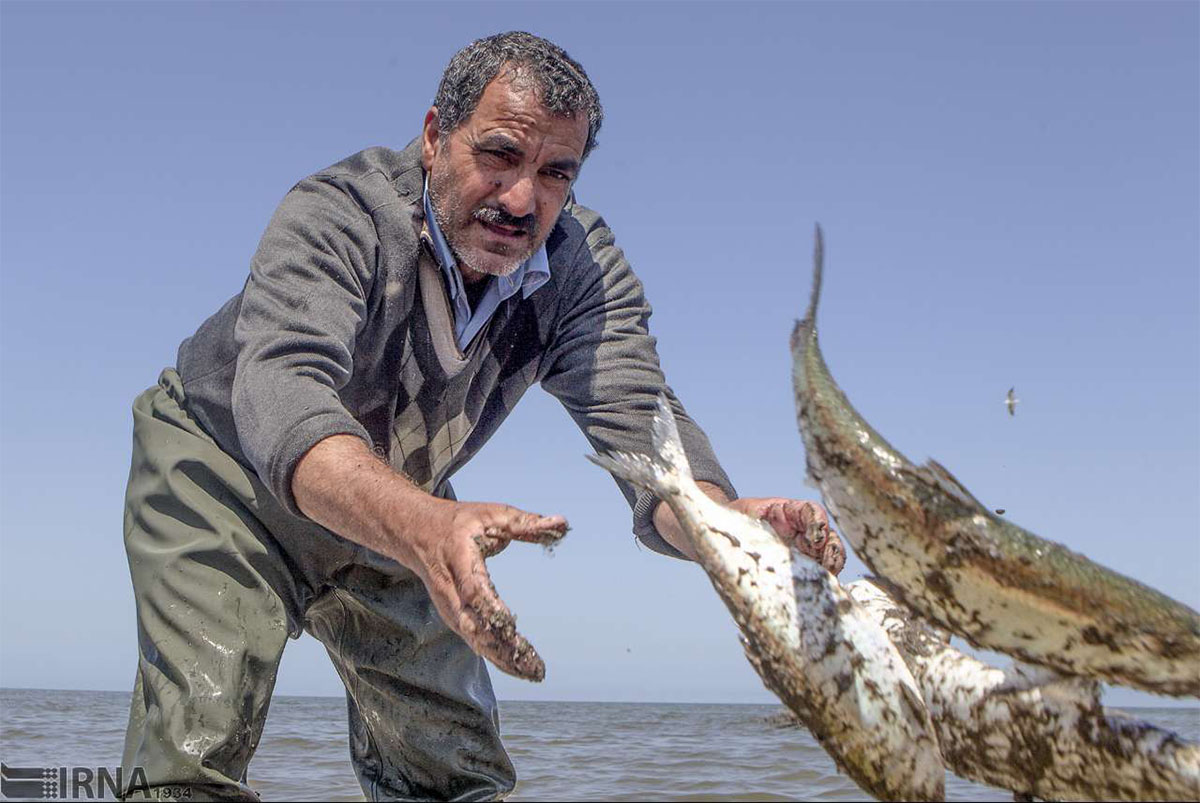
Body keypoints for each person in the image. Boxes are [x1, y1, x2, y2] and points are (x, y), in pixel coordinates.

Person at [119, 31, 845, 802]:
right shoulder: (339, 214)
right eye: (499, 154)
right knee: (187, 763)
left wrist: (724, 525)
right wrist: (425, 527)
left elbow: (641, 420)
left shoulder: (578, 270)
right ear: (435, 136)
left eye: (555, 172)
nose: (522, 200)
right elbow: (283, 393)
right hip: (223, 470)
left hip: (401, 501)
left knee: (455, 779)